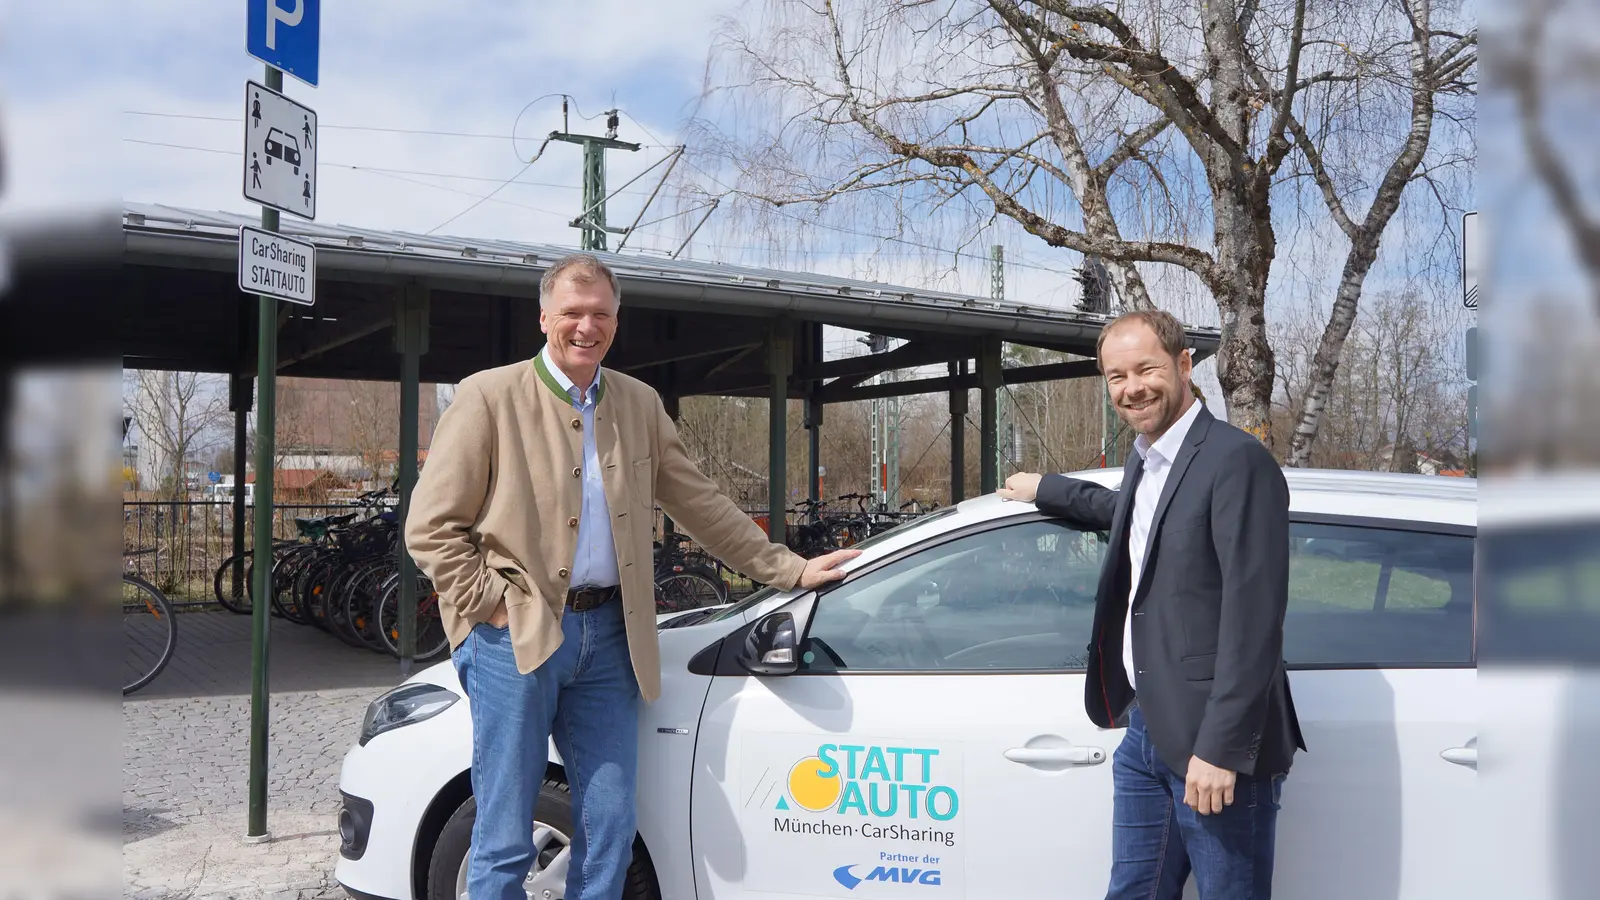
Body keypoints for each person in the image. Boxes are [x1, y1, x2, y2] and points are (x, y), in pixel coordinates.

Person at [405, 253, 859, 900]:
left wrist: (787, 567)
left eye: (601, 314)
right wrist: (492, 605)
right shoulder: (488, 396)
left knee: (610, 822)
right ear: (544, 318)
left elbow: (699, 503)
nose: (586, 327)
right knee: (504, 833)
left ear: (617, 321)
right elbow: (430, 527)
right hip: (515, 640)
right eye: (572, 313)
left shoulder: (638, 403)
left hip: (612, 639)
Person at [997, 309, 1304, 900]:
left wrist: (1219, 749)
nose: (1132, 387)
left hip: (1212, 743)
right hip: (1146, 731)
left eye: (1146, 369)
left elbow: (1255, 617)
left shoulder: (1236, 461)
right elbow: (1135, 517)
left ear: (1185, 365)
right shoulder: (1148, 455)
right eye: (1116, 376)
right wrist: (1047, 488)